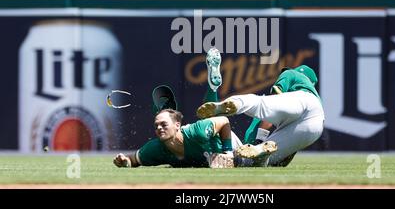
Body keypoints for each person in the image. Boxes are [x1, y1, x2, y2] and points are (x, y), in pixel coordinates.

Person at [113, 48, 277, 169]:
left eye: (163, 124)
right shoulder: (155, 148)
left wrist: (227, 152)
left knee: (252, 153)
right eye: (156, 125)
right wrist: (123, 161)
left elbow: (224, 121)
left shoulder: (194, 132)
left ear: (177, 125)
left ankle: (259, 134)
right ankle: (213, 88)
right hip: (215, 148)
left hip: (228, 145)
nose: (158, 128)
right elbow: (133, 160)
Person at [197, 64, 325, 166]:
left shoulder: (291, 73)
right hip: (316, 125)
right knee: (267, 155)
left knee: (260, 104)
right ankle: (259, 152)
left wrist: (260, 138)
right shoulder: (315, 96)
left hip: (301, 101)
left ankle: (236, 103)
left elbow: (276, 95)